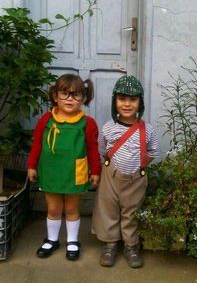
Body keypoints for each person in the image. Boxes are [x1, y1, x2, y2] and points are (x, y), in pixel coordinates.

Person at [27, 73, 101, 261]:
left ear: (83, 98)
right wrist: (31, 166)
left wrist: (96, 171)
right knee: (53, 208)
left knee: (71, 209)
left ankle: (72, 241)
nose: (70, 98)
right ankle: (52, 240)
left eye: (75, 94)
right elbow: (36, 144)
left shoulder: (88, 123)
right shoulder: (46, 120)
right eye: (65, 93)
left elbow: (93, 148)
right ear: (55, 96)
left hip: (75, 173)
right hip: (51, 171)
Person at [92, 75, 160, 268]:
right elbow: (102, 149)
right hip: (110, 177)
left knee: (131, 212)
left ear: (140, 103)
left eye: (133, 99)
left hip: (136, 179)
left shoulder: (148, 130)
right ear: (115, 102)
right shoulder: (108, 127)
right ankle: (110, 244)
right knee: (108, 210)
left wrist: (139, 166)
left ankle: (131, 246)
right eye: (122, 99)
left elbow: (153, 151)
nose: (127, 104)